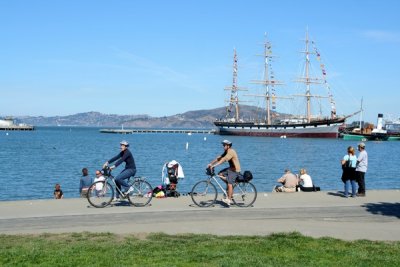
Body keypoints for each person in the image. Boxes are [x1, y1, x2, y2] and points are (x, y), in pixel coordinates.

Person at [208, 140, 241, 206]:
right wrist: (211, 163)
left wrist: (214, 165)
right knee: (220, 174)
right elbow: (219, 158)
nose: (223, 146)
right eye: (223, 145)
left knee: (229, 183)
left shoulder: (231, 151)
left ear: (228, 146)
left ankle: (229, 199)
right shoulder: (226, 151)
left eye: (224, 145)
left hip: (235, 170)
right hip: (230, 169)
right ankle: (229, 189)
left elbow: (224, 159)